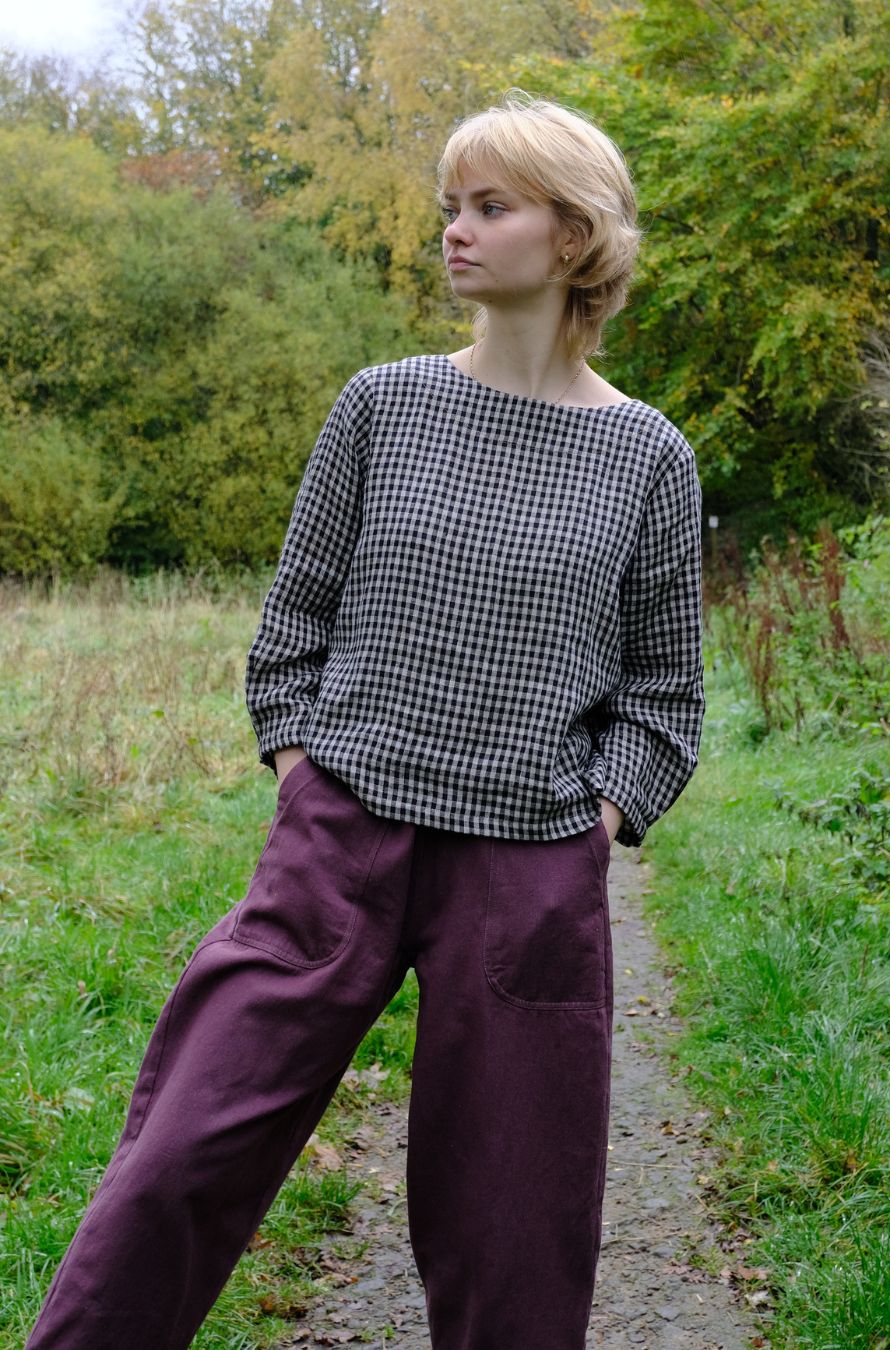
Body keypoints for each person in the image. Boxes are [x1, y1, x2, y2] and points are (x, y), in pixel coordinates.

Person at [26, 91, 705, 1350]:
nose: (455, 230)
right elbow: (293, 628)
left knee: (515, 1222)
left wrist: (597, 821)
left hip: (528, 869)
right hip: (339, 839)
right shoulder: (381, 406)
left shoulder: (649, 457)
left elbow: (667, 695)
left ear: (572, 237)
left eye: (489, 207)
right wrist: (301, 769)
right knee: (185, 1152)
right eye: (451, 205)